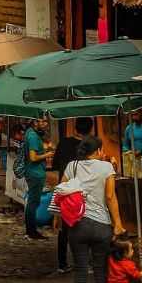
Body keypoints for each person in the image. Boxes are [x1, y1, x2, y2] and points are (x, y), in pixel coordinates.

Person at [62, 134, 125, 283]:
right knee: (100, 271)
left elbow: (61, 191)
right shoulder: (106, 167)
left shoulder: (72, 166)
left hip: (77, 224)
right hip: (101, 226)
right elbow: (110, 196)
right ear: (98, 150)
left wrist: (58, 217)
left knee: (80, 272)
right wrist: (117, 223)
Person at [52, 116, 94, 273]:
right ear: (90, 130)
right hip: (81, 191)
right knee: (82, 226)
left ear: (75, 127)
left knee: (63, 229)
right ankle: (84, 263)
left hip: (64, 189)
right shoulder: (88, 147)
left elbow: (55, 164)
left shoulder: (63, 142)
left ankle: (62, 264)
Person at [24, 117, 55, 241]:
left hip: (34, 172)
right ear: (35, 122)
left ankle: (30, 230)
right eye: (43, 121)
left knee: (32, 202)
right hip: (35, 173)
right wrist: (47, 155)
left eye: (46, 121)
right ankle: (31, 231)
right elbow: (33, 157)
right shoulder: (32, 136)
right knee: (33, 203)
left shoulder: (31, 133)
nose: (46, 124)